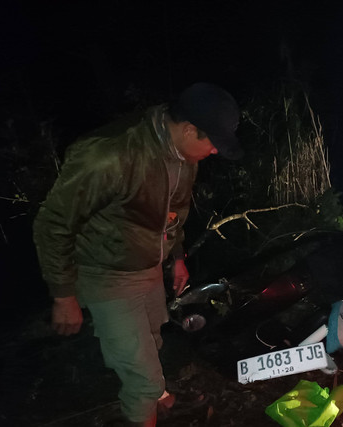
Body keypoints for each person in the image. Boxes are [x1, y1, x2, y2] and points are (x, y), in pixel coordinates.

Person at [33, 82, 243, 427]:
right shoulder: (109, 155)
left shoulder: (184, 155)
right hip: (106, 273)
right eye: (213, 143)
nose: (216, 152)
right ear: (189, 129)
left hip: (148, 266)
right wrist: (63, 294)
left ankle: (163, 400)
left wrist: (176, 257)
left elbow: (175, 210)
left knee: (151, 341)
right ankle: (145, 407)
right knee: (139, 374)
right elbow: (52, 224)